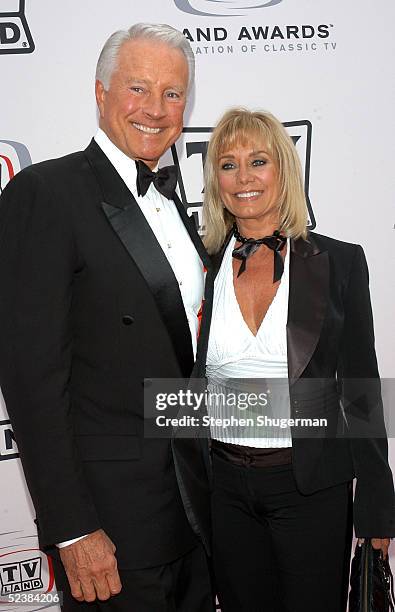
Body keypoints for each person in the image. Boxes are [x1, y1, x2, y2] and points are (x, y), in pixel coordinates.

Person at [0, 23, 214, 612]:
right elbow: (32, 378)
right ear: (100, 93)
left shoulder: (173, 198)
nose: (156, 109)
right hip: (111, 526)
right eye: (138, 88)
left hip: (192, 510)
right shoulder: (47, 192)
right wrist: (72, 528)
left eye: (173, 94)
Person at [196, 107, 395, 612]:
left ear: (284, 170)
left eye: (258, 161)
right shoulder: (199, 265)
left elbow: (361, 388)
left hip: (311, 487)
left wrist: (375, 507)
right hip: (223, 489)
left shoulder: (340, 261)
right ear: (214, 179)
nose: (243, 177)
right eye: (227, 164)